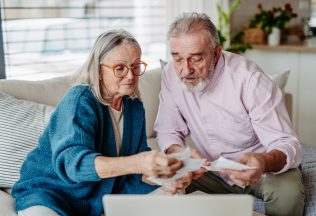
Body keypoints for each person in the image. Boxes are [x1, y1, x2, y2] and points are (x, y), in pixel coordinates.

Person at [12, 30, 186, 216]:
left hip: (103, 190)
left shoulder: (134, 106)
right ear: (99, 70)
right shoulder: (80, 99)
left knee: (174, 195)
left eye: (136, 67)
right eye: (120, 68)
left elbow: (138, 167)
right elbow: (75, 165)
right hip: (53, 192)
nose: (130, 76)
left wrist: (164, 175)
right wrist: (139, 163)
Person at [154, 12, 305, 216]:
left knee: (289, 194)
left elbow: (286, 143)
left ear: (216, 53)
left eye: (196, 59)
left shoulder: (250, 79)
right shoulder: (171, 76)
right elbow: (168, 131)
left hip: (260, 169)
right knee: (160, 186)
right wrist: (181, 155)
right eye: (178, 58)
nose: (185, 69)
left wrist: (262, 162)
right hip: (209, 169)